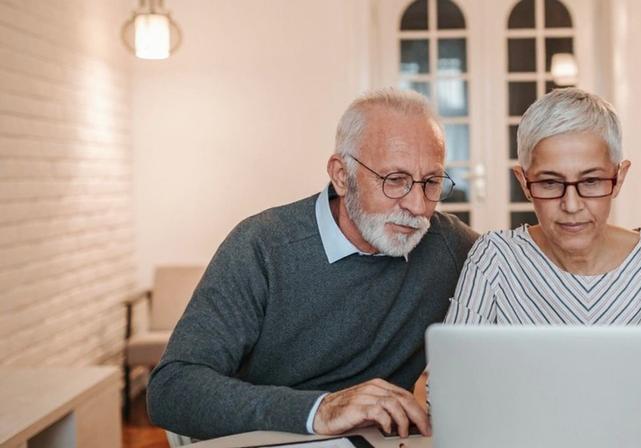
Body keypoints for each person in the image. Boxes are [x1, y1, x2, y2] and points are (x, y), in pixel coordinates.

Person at [147, 88, 478, 440]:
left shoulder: (449, 245)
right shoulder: (263, 246)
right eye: (395, 180)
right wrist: (319, 409)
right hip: (265, 438)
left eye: (431, 182)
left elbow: (513, 260)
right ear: (341, 175)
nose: (418, 205)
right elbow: (171, 389)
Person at [441, 87, 641, 416]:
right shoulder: (494, 257)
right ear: (524, 183)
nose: (571, 205)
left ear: (619, 178)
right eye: (550, 183)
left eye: (592, 181)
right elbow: (449, 388)